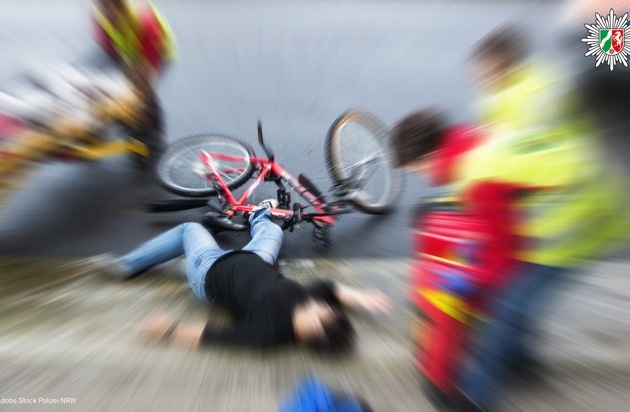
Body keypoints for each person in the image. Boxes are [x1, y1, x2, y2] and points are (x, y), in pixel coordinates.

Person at [392, 26, 629, 411]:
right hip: (573, 205)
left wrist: (467, 279)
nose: (421, 177)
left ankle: (475, 396)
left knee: (504, 310)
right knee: (518, 306)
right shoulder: (476, 136)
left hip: (572, 226)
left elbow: (501, 253)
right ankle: (521, 362)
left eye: (417, 169)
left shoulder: (482, 171)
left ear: (429, 156)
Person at [93, 200, 391, 352]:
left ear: (313, 329)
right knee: (272, 229)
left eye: (322, 313)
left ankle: (128, 266)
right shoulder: (307, 305)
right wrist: (361, 298)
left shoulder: (266, 333)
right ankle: (259, 213)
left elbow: (211, 335)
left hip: (209, 270)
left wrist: (167, 331)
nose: (320, 304)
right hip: (255, 259)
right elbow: (328, 289)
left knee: (189, 229)